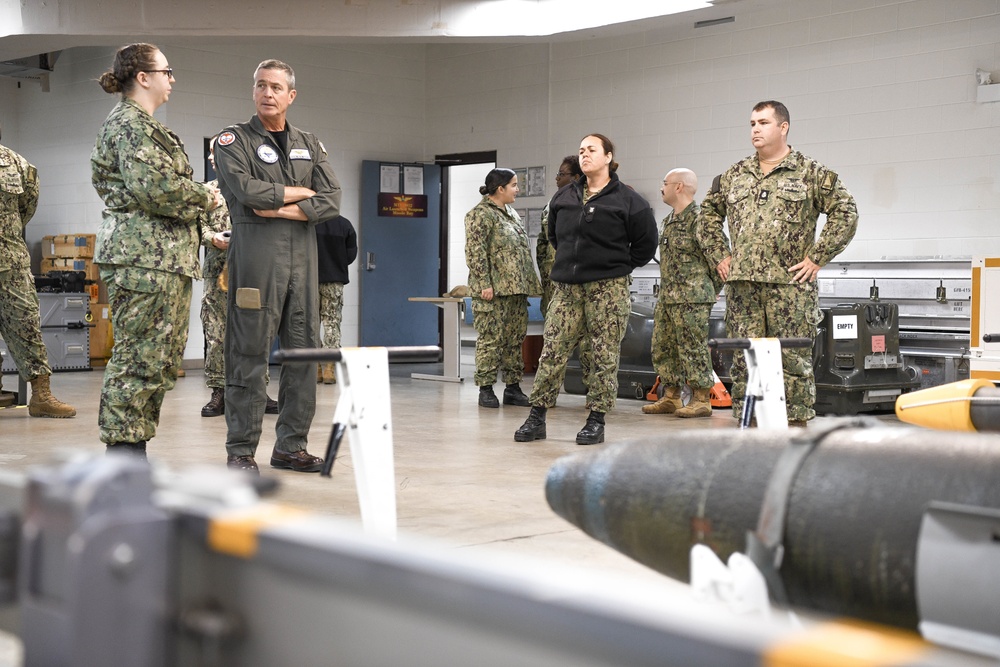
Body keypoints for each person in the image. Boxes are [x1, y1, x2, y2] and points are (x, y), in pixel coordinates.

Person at [92, 43, 221, 458]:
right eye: (167, 70)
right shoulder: (131, 125)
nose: (173, 78)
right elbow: (157, 190)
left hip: (160, 261)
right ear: (143, 77)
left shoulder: (144, 125)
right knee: (138, 358)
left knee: (159, 359)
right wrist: (206, 196)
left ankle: (135, 450)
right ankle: (122, 457)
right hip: (143, 261)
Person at [214, 59, 342, 475]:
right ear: (254, 91)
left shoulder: (310, 142)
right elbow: (247, 191)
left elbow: (332, 199)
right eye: (260, 86)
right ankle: (241, 451)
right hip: (256, 263)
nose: (267, 93)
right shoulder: (233, 141)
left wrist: (283, 209)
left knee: (303, 356)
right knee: (248, 355)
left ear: (291, 95)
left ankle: (290, 446)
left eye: (275, 87)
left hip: (304, 267)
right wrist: (301, 196)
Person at [699, 100, 858, 426]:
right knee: (746, 359)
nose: (755, 129)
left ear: (783, 127)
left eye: (763, 122)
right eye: (752, 123)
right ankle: (748, 423)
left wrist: (817, 257)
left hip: (790, 287)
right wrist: (720, 256)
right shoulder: (733, 176)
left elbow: (846, 212)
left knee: (793, 360)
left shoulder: (811, 173)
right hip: (743, 287)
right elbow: (706, 218)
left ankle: (796, 426)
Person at [514, 134, 657, 445]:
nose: (585, 155)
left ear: (608, 157)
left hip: (608, 289)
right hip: (566, 289)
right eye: (581, 151)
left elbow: (645, 246)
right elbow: (553, 237)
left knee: (603, 356)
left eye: (592, 150)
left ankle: (596, 419)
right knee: (552, 353)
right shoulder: (564, 197)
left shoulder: (629, 201)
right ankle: (537, 416)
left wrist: (614, 266)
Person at [199, 136, 279, 418]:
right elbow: (195, 228)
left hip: (252, 270)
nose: (212, 158)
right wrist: (212, 238)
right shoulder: (206, 192)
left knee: (256, 331)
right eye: (209, 154)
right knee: (217, 333)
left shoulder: (254, 190)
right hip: (217, 272)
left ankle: (258, 390)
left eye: (215, 153)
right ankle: (219, 391)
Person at [0, 126, 76, 418]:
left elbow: (26, 208)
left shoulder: (18, 165)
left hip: (12, 265)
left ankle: (41, 396)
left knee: (27, 328)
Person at [642, 168, 727, 418]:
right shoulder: (668, 221)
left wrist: (706, 290)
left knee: (693, 348)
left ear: (678, 187)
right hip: (668, 297)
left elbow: (720, 258)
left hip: (692, 298)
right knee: (663, 347)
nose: (661, 187)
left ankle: (701, 398)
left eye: (665, 183)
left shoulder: (700, 219)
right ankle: (671, 396)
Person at [465, 168, 541, 408]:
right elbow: (475, 252)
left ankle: (512, 387)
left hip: (515, 290)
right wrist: (484, 284)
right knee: (491, 340)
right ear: (500, 188)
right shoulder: (480, 215)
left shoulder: (510, 213)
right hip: (493, 291)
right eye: (514, 185)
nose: (517, 190)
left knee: (514, 340)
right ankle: (486, 388)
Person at [315, 214, 357, 385]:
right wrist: (336, 263)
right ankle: (329, 369)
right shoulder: (344, 224)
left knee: (310, 323)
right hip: (334, 281)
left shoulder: (309, 222)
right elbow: (351, 255)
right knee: (332, 323)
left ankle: (315, 366)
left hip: (310, 280)